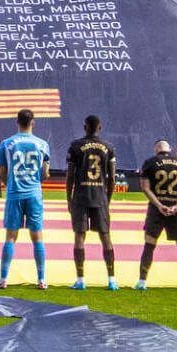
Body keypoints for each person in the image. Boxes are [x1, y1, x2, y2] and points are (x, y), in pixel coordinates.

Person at [0, 108, 52, 289]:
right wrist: (34, 182)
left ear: (17, 122)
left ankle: (3, 279)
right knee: (37, 236)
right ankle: (41, 280)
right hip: (34, 194)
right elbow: (45, 173)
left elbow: (1, 174)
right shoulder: (42, 144)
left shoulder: (6, 144)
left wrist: (11, 184)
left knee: (10, 237)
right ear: (33, 123)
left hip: (14, 194)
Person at [65, 115, 117, 291]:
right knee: (105, 236)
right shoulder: (109, 147)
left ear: (85, 127)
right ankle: (111, 280)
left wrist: (69, 199)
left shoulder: (75, 146)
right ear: (99, 127)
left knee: (79, 237)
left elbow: (70, 175)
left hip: (80, 197)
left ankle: (80, 280)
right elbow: (112, 178)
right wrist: (107, 199)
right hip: (100, 197)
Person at [137, 141, 177, 290]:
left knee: (149, 245)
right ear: (169, 149)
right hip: (175, 209)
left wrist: (159, 205)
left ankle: (142, 282)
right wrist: (176, 206)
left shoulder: (149, 162)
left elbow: (145, 188)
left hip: (156, 209)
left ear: (156, 149)